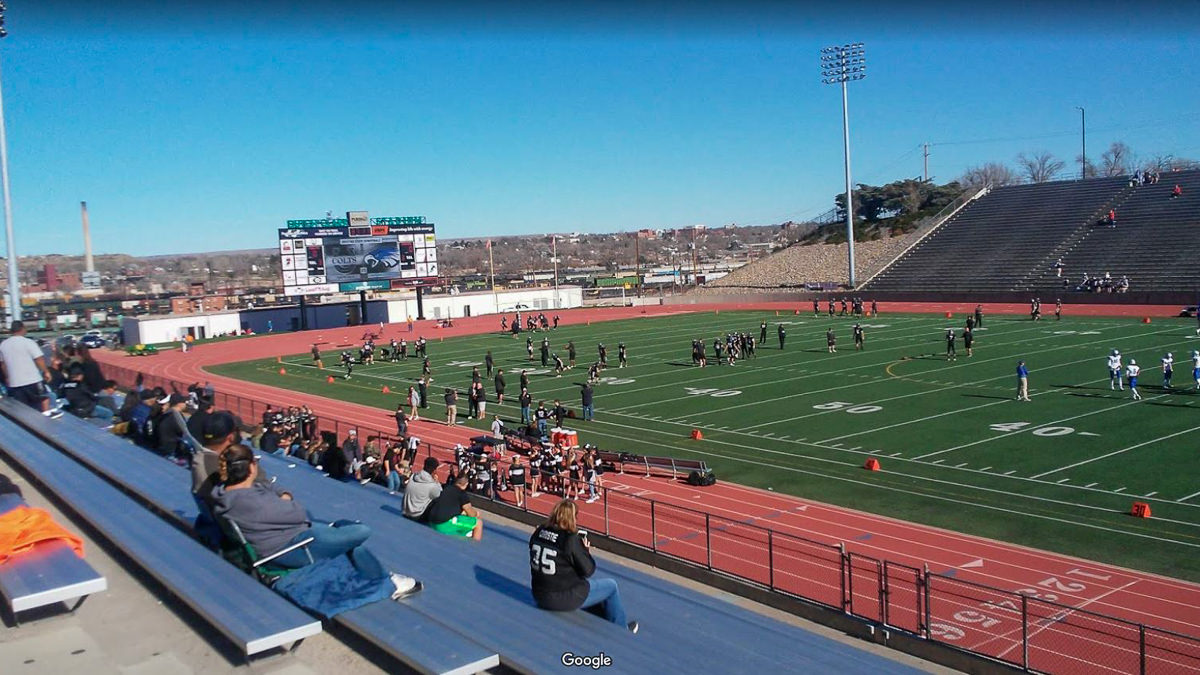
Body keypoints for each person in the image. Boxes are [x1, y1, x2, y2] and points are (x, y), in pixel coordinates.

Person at [211, 443, 421, 599]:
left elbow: (269, 488)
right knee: (360, 532)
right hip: (292, 549)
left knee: (344, 531)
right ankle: (386, 581)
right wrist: (285, 497)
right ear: (250, 468)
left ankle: (386, 576)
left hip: (285, 540)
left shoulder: (226, 494)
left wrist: (280, 494)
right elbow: (299, 512)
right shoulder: (253, 502)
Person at [529, 499, 637, 633]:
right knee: (611, 586)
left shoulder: (539, 531)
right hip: (560, 599)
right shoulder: (570, 538)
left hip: (539, 595)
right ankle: (623, 629)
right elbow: (588, 570)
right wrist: (585, 551)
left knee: (586, 588)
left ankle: (605, 614)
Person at [0, 320, 59, 416]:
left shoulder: (3, 345)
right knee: (44, 397)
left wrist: (7, 377)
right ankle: (47, 413)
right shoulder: (28, 342)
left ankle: (26, 422)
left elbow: (3, 364)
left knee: (22, 405)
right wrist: (46, 371)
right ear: (22, 329)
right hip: (32, 379)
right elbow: (39, 359)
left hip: (15, 382)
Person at [425, 473, 483, 541]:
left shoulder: (446, 488)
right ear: (466, 484)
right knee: (478, 523)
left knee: (461, 519)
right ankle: (474, 546)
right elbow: (471, 514)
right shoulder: (462, 494)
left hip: (431, 521)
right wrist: (477, 514)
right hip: (442, 524)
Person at [403, 457, 443, 521]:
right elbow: (440, 495)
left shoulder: (413, 476)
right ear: (434, 470)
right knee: (437, 499)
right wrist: (437, 482)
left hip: (405, 512)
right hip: (418, 516)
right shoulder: (432, 485)